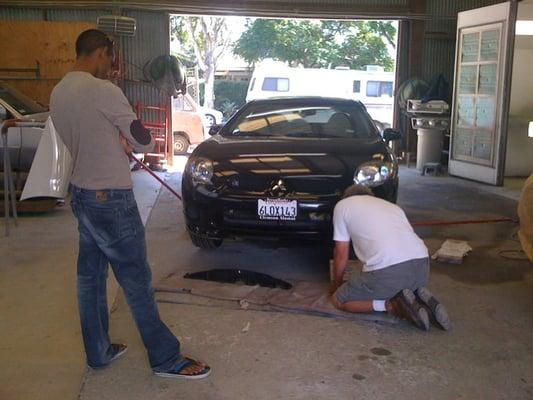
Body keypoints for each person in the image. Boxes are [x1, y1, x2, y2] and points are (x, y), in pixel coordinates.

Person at [50, 29, 210, 378]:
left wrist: (113, 141)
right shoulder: (104, 91)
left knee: (90, 278)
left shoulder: (59, 91)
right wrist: (129, 141)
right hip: (111, 199)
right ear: (102, 52)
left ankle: (99, 352)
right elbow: (143, 140)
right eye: (110, 58)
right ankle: (166, 359)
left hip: (81, 193)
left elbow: (85, 136)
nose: (111, 66)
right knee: (135, 279)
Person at [329, 184, 450, 331]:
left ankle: (392, 305)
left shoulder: (342, 206)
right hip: (422, 267)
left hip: (389, 272)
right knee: (393, 281)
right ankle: (418, 297)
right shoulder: (392, 207)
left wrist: (336, 286)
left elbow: (341, 254)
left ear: (347, 197)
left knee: (339, 300)